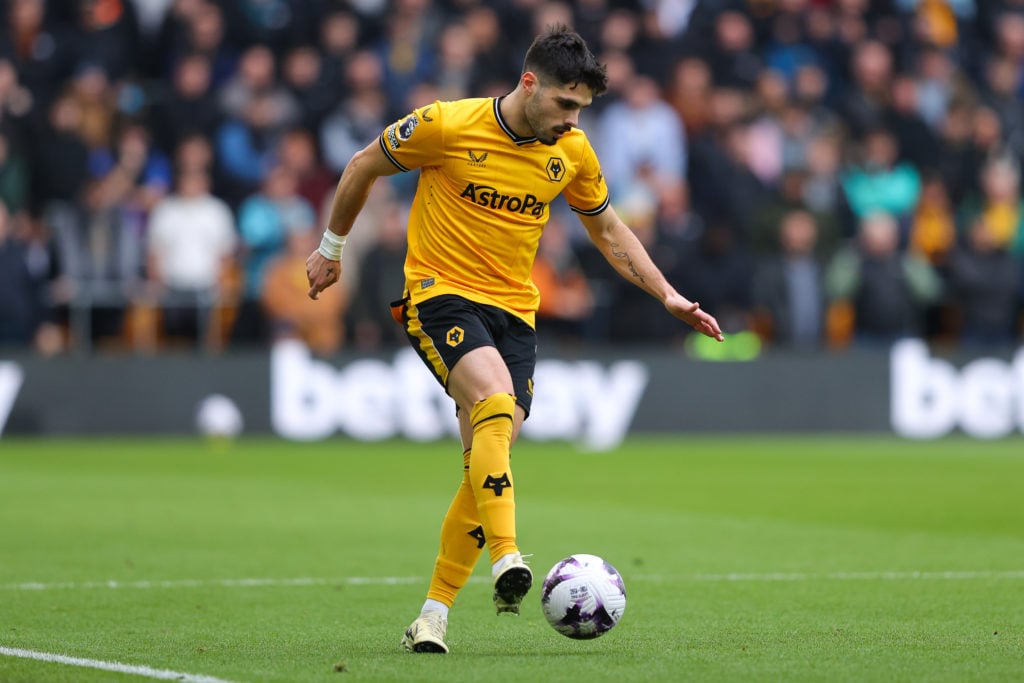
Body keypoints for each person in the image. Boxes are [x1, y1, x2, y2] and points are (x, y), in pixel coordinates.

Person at [305, 25, 723, 655]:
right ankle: (507, 559)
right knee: (496, 402)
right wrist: (331, 248)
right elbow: (364, 163)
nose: (572, 119)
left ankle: (432, 616)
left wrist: (665, 292)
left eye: (581, 108)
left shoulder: (572, 153)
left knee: (484, 465)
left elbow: (609, 232)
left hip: (515, 315)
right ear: (529, 83)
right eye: (564, 104)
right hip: (438, 292)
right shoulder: (446, 125)